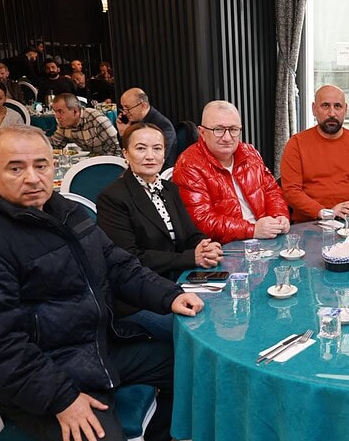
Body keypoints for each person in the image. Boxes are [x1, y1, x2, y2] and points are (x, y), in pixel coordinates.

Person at [0, 125, 204, 441]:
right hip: (46, 373)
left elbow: (118, 264)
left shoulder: (66, 211)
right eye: (16, 168)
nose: (32, 178)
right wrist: (62, 399)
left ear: (53, 167)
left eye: (41, 165)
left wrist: (170, 295)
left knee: (190, 366)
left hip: (96, 349)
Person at [97, 123, 222, 340]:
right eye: (141, 148)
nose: (150, 156)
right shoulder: (113, 198)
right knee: (204, 327)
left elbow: (190, 233)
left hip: (180, 280)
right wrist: (190, 257)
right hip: (140, 296)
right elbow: (129, 260)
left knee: (227, 307)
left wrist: (205, 246)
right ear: (125, 153)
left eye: (157, 148)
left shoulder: (169, 189)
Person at [173, 100, 289, 244]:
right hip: (224, 247)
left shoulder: (250, 153)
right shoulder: (188, 164)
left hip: (264, 238)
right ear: (202, 132)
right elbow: (203, 221)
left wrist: (279, 216)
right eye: (218, 130)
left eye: (233, 129)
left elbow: (272, 191)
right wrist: (252, 230)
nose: (227, 138)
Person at [280, 84, 349, 222]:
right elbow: (291, 191)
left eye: (338, 106)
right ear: (314, 109)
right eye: (325, 106)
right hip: (311, 224)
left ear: (345, 110)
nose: (332, 113)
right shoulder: (296, 144)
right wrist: (326, 213)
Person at [116, 88, 178, 169]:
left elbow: (157, 159)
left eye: (128, 108)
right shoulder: (134, 122)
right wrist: (123, 132)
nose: (124, 113)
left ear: (143, 106)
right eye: (123, 108)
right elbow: (127, 153)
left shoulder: (163, 126)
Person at [49, 93, 122, 156]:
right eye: (55, 112)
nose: (57, 116)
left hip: (108, 160)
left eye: (60, 112)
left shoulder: (96, 120)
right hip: (89, 160)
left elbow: (117, 148)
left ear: (75, 111)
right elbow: (55, 144)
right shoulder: (64, 123)